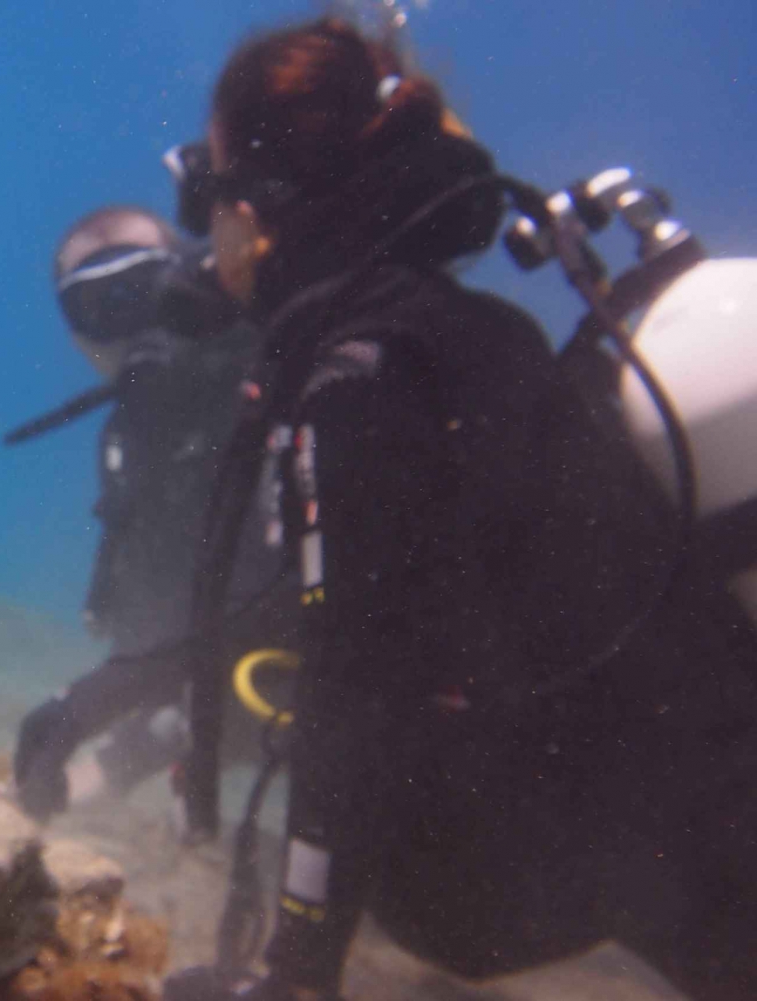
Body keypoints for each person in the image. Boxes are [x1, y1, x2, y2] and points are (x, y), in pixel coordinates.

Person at [160, 16, 757, 1001]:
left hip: (647, 835)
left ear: (261, 205)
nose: (206, 232)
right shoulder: (469, 331)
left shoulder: (356, 380)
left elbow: (352, 692)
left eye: (209, 192)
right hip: (699, 803)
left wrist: (294, 973)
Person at [11, 204, 287, 821]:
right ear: (77, 335)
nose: (131, 328)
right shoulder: (130, 448)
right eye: (99, 307)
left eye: (146, 290)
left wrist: (106, 714)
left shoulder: (289, 383)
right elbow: (173, 649)